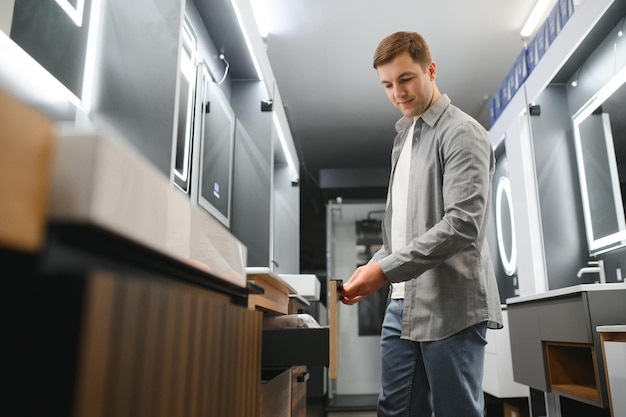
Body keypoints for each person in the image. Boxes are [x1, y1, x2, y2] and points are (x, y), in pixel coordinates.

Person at [339, 31, 503, 417]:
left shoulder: (461, 133)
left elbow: (462, 224)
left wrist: (384, 269)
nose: (398, 92)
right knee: (394, 410)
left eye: (406, 78)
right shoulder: (404, 138)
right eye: (387, 84)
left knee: (455, 411)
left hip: (451, 306)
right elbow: (397, 234)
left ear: (430, 70)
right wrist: (372, 267)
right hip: (402, 305)